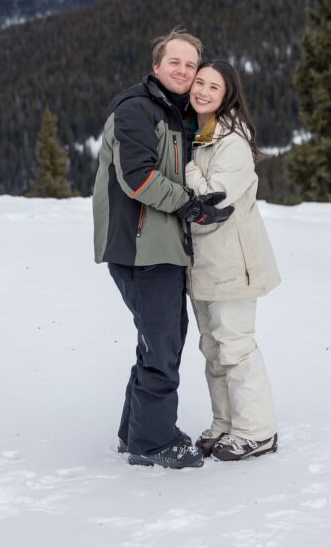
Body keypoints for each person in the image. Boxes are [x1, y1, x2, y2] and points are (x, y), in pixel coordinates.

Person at [92, 28, 234, 470]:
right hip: (139, 248)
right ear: (156, 66)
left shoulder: (173, 112)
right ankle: (153, 443)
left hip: (162, 248)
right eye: (175, 62)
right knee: (162, 344)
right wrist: (191, 206)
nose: (184, 71)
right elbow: (138, 178)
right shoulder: (135, 109)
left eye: (191, 66)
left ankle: (134, 432)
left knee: (159, 341)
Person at [184, 59, 281, 461]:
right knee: (212, 347)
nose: (203, 91)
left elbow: (214, 198)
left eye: (214, 87)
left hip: (232, 261)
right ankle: (225, 423)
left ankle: (257, 431)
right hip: (204, 263)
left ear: (228, 97)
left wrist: (183, 167)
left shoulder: (232, 141)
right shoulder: (198, 134)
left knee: (236, 346)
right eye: (199, 82)